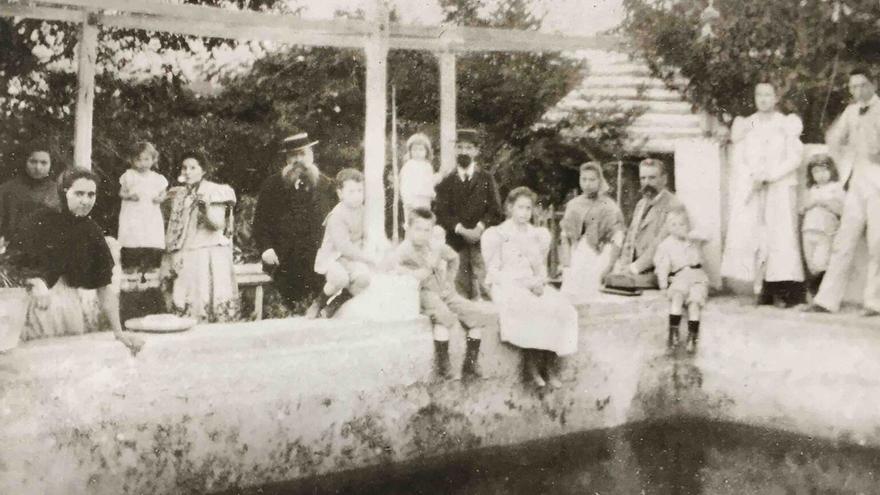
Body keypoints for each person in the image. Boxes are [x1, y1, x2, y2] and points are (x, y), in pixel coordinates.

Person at [7, 168, 143, 355]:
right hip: (32, 306)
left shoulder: (91, 231)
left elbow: (105, 286)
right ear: (64, 192)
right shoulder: (37, 221)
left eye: (91, 194)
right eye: (79, 193)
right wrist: (35, 281)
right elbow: (10, 265)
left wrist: (119, 333)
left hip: (69, 311)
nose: (86, 201)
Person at [482, 187, 578, 389]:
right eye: (520, 208)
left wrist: (539, 281)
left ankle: (548, 365)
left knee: (560, 307)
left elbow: (539, 266)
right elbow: (494, 271)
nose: (524, 213)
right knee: (531, 309)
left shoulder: (537, 234)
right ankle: (532, 366)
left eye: (528, 208)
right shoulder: (499, 234)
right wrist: (520, 284)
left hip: (531, 283)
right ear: (510, 208)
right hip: (507, 284)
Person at [720, 81, 806, 307]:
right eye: (759, 95)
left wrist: (770, 175)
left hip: (778, 187)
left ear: (776, 98)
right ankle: (761, 288)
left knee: (780, 236)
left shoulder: (786, 124)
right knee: (756, 235)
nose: (764, 99)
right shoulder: (747, 124)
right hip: (753, 187)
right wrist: (753, 177)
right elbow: (740, 158)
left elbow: (794, 157)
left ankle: (781, 288)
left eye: (768, 95)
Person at [806, 67, 880, 317]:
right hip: (857, 181)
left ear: (873, 84)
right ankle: (826, 299)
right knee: (843, 240)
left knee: (877, 244)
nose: (857, 91)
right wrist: (844, 156)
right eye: (853, 87)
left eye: (862, 85)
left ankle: (874, 302)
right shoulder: (850, 111)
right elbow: (834, 138)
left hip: (878, 182)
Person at [392, 207, 495, 380]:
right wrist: (417, 272)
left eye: (427, 230)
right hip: (424, 293)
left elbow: (454, 257)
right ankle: (444, 363)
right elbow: (395, 269)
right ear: (408, 229)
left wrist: (449, 280)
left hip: (444, 290)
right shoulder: (404, 250)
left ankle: (471, 363)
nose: (422, 235)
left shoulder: (435, 245)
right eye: (418, 229)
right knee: (443, 317)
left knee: (474, 315)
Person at [253, 132, 336, 312]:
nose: (298, 160)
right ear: (286, 159)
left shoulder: (327, 185)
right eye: (293, 155)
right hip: (283, 262)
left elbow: (338, 221)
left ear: (311, 155)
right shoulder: (272, 185)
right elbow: (260, 223)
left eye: (302, 154)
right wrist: (266, 248)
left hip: (318, 260)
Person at [160, 152, 239, 322]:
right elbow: (176, 228)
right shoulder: (180, 194)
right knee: (186, 300)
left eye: (193, 168)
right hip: (188, 251)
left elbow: (218, 225)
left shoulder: (215, 191)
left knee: (207, 299)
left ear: (203, 171)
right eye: (184, 168)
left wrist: (205, 210)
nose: (187, 172)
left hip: (209, 252)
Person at [434, 128, 503, 300]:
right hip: (457, 243)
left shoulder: (486, 179)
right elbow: (441, 213)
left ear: (476, 151)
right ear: (455, 149)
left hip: (482, 243)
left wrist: (479, 229)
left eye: (468, 147)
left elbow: (496, 211)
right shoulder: (446, 182)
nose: (464, 151)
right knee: (460, 291)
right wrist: (461, 230)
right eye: (460, 147)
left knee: (488, 286)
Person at [605, 158, 683, 290]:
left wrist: (634, 268)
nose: (647, 183)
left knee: (618, 284)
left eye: (652, 178)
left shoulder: (674, 206)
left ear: (664, 179)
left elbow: (659, 243)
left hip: (660, 271)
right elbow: (630, 238)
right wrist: (624, 265)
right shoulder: (641, 204)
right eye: (643, 178)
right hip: (637, 270)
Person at [559, 161, 626, 303]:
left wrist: (609, 266)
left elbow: (618, 238)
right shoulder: (573, 205)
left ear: (599, 181)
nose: (587, 184)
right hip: (577, 255)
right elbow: (565, 236)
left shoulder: (608, 206)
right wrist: (566, 264)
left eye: (592, 180)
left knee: (595, 297)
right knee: (571, 296)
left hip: (599, 256)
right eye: (584, 179)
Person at [312, 168, 373, 318]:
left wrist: (371, 249)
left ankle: (337, 302)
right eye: (351, 192)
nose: (357, 196)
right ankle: (320, 301)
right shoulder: (337, 215)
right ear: (340, 194)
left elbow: (367, 235)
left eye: (360, 191)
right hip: (333, 257)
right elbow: (343, 246)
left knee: (364, 279)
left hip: (351, 258)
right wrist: (366, 258)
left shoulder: (363, 211)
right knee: (340, 278)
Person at [654, 208, 710, 354]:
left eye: (682, 224)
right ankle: (673, 334)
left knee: (694, 303)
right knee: (677, 298)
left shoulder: (693, 241)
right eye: (673, 224)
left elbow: (707, 237)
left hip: (697, 277)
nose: (678, 228)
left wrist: (690, 235)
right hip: (680, 277)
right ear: (667, 227)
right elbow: (663, 267)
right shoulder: (666, 245)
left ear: (687, 226)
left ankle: (692, 337)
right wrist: (663, 286)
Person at [117, 141, 168, 276]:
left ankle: (150, 268)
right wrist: (129, 196)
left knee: (150, 237)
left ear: (153, 159)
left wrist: (160, 198)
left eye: (146, 159)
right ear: (132, 160)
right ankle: (131, 267)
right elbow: (121, 193)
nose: (142, 163)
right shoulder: (129, 175)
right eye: (138, 159)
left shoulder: (157, 178)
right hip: (133, 213)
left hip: (150, 214)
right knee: (132, 237)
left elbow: (164, 193)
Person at [800, 154, 845, 297]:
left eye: (824, 170)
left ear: (831, 170)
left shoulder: (836, 188)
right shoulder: (812, 190)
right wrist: (810, 204)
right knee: (811, 265)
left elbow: (842, 210)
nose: (820, 175)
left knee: (821, 264)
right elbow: (801, 209)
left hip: (826, 232)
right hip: (808, 230)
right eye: (816, 172)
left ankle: (822, 295)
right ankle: (813, 296)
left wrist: (826, 203)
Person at [0, 144, 60, 247]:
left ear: (51, 164)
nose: (38, 167)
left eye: (44, 163)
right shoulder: (7, 190)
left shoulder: (58, 191)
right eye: (33, 162)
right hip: (13, 248)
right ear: (25, 162)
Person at [399, 133, 440, 218]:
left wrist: (439, 176)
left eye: (421, 150)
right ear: (410, 151)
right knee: (413, 220)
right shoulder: (409, 165)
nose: (417, 152)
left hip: (425, 199)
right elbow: (404, 184)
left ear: (426, 151)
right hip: (412, 200)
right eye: (414, 150)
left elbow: (430, 181)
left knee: (424, 219)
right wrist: (407, 201)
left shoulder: (427, 166)